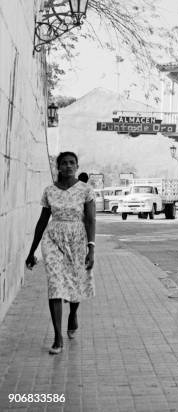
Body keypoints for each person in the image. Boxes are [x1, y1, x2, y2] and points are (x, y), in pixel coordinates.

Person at [25, 151, 95, 354]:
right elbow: (42, 221)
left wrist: (91, 248)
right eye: (64, 163)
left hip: (78, 239)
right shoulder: (49, 191)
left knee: (75, 282)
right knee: (55, 284)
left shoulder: (86, 190)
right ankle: (58, 337)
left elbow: (90, 220)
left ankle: (73, 314)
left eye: (72, 162)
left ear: (77, 166)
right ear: (58, 167)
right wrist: (32, 251)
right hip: (53, 239)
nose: (68, 166)